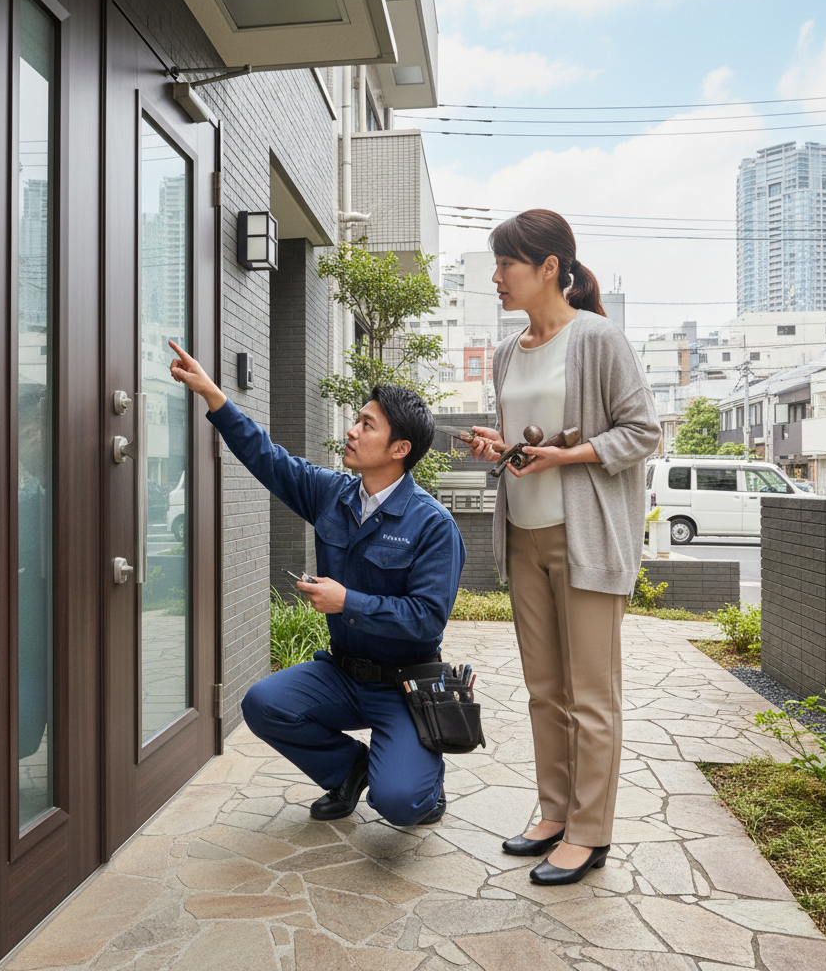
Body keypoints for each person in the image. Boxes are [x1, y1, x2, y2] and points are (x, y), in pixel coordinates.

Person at [168, 341, 466, 827]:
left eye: (367, 424)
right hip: (343, 675)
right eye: (357, 419)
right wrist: (213, 395)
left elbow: (426, 619)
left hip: (403, 685)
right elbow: (267, 458)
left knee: (400, 805)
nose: (352, 430)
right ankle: (349, 769)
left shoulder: (433, 525)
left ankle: (422, 781)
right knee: (263, 704)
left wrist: (347, 601)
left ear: (399, 449)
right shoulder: (333, 494)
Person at [468, 210, 660, 885]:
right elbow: (526, 446)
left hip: (585, 539)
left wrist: (565, 456)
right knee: (544, 690)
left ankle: (588, 831)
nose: (497, 277)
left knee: (590, 695)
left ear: (549, 268)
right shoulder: (506, 353)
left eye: (506, 264)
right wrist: (502, 449)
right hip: (523, 535)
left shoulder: (598, 338)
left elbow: (643, 431)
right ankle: (553, 814)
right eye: (497, 265)